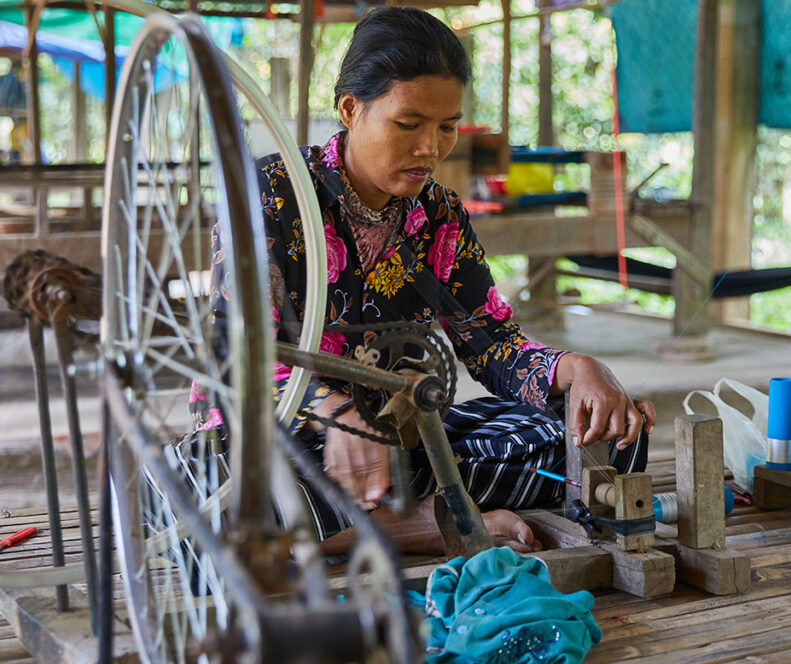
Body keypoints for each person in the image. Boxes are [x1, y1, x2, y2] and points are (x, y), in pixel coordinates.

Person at [194, 6, 655, 555]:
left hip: (398, 438)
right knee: (212, 499)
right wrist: (335, 415)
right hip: (279, 438)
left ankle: (362, 524)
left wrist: (576, 370)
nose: (430, 148)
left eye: (446, 127)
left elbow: (491, 343)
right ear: (350, 109)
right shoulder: (270, 194)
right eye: (408, 125)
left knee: (602, 437)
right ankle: (422, 523)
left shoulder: (439, 216)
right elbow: (238, 353)